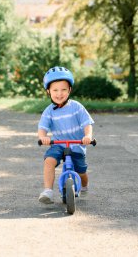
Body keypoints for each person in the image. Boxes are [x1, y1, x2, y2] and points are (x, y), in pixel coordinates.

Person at [38, 66, 94, 204]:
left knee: (81, 172)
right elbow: (42, 128)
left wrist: (87, 136)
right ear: (48, 91)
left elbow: (87, 123)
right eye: (55, 90)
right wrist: (43, 137)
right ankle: (48, 191)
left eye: (63, 89)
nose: (59, 93)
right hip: (58, 144)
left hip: (77, 145)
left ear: (69, 90)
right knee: (49, 161)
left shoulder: (77, 107)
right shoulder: (49, 111)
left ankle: (85, 186)